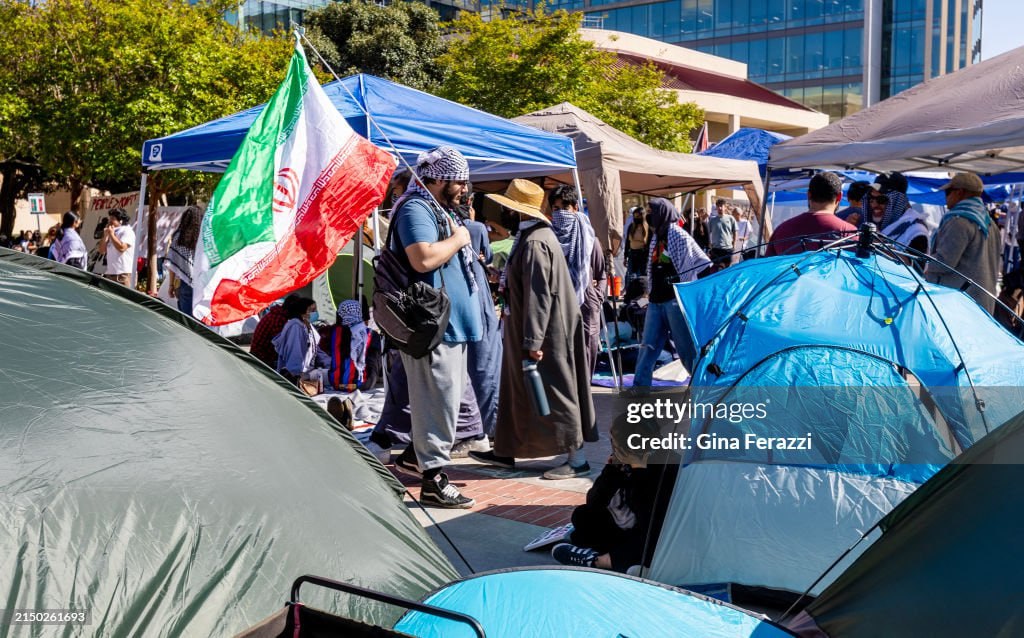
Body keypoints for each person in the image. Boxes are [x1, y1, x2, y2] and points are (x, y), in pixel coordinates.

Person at [471, 179, 597, 479]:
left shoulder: (537, 241)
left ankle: (575, 458)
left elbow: (540, 294)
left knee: (558, 391)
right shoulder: (533, 237)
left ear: (517, 211)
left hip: (548, 332)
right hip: (534, 328)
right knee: (518, 391)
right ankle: (507, 450)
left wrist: (533, 339)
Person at [391, 145, 482, 508]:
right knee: (437, 401)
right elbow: (423, 257)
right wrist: (459, 239)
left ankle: (418, 456)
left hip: (447, 325)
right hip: (432, 328)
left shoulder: (437, 209)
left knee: (443, 401)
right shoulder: (416, 208)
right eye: (459, 181)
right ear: (440, 178)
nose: (464, 187)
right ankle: (433, 479)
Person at [551, 417, 678, 573]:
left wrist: (639, 471)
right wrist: (610, 472)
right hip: (624, 527)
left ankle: (598, 561)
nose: (613, 446)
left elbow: (650, 521)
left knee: (646, 546)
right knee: (582, 515)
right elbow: (594, 503)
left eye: (616, 442)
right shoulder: (620, 463)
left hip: (651, 534)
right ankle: (613, 557)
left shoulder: (665, 467)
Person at [629, 198, 711, 395]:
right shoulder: (657, 236)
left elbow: (702, 263)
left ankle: (703, 388)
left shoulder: (679, 236)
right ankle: (639, 389)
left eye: (652, 211)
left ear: (663, 213)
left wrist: (689, 291)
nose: (649, 215)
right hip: (656, 301)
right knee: (648, 346)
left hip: (675, 301)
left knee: (685, 350)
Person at [925, 172, 1002, 314]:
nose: (946, 197)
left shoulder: (959, 221)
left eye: (948, 192)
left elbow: (944, 263)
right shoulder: (990, 224)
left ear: (959, 192)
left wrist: (924, 264)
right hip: (982, 304)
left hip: (959, 305)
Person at [548, 184, 605, 376]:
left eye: (565, 207)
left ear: (575, 208)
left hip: (586, 304)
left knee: (588, 347)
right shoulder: (548, 239)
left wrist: (596, 296)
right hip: (558, 303)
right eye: (556, 209)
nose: (561, 213)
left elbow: (601, 274)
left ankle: (584, 395)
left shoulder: (589, 240)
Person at [766, 172, 857, 256]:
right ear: (839, 196)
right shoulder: (848, 232)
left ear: (809, 194)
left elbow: (766, 269)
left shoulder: (781, 230)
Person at [272, 296, 329, 391]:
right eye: (312, 310)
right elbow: (294, 353)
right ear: (303, 311)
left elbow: (316, 349)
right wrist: (298, 374)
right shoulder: (295, 327)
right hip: (296, 374)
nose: (315, 313)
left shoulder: (308, 326)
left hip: (307, 371)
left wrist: (329, 363)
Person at [166, 206, 203, 316]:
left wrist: (171, 285)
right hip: (202, 282)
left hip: (183, 281)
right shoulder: (204, 237)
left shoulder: (179, 237)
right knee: (199, 317)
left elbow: (172, 263)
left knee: (185, 318)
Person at [250, 295, 298, 369]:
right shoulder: (278, 318)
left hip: (262, 354)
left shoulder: (279, 315)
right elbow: (281, 344)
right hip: (261, 357)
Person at [98, 208, 135, 286]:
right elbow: (102, 251)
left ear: (120, 220)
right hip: (110, 274)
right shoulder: (111, 231)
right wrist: (105, 236)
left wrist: (111, 234)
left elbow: (122, 248)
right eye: (109, 218)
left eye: (112, 219)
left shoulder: (127, 231)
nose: (109, 221)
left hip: (123, 275)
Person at [708, 199, 736, 271]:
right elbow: (708, 232)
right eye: (718, 206)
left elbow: (735, 232)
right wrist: (709, 244)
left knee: (727, 270)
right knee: (717, 269)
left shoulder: (731, 218)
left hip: (728, 249)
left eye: (721, 206)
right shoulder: (712, 220)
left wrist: (734, 244)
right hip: (716, 249)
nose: (719, 208)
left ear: (725, 207)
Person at [625, 206, 649, 281]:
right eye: (635, 216)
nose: (636, 218)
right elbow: (627, 242)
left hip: (643, 255)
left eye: (638, 216)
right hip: (632, 254)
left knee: (641, 276)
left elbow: (649, 243)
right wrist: (625, 256)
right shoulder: (631, 227)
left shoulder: (647, 228)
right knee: (631, 276)